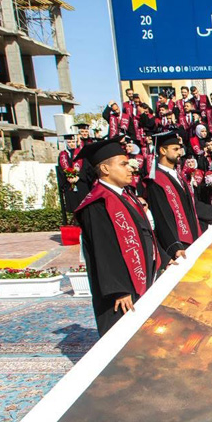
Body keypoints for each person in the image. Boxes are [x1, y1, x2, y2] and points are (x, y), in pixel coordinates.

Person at [73, 138, 168, 336]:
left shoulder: (126, 196)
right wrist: (119, 289)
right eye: (123, 164)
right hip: (120, 291)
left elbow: (144, 233)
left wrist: (164, 258)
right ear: (105, 169)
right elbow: (103, 249)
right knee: (120, 334)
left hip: (138, 278)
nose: (130, 169)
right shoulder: (97, 203)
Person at [144, 130, 212, 258]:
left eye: (180, 149)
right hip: (179, 245)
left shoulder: (178, 177)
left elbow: (192, 205)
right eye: (175, 149)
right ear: (163, 151)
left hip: (193, 238)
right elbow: (162, 217)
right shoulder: (156, 181)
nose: (180, 153)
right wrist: (174, 246)